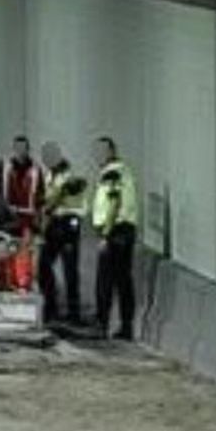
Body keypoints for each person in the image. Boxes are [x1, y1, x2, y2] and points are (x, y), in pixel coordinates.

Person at [91, 137, 139, 340]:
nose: (99, 155)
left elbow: (114, 204)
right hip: (125, 231)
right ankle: (125, 326)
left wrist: (105, 235)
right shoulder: (123, 171)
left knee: (105, 281)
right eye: (97, 151)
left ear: (112, 152)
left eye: (103, 151)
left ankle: (101, 325)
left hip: (116, 231)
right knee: (122, 280)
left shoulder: (113, 173)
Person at [38, 142, 87, 324]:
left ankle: (73, 312)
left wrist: (49, 207)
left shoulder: (69, 178)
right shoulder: (50, 175)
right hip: (54, 223)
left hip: (68, 223)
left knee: (70, 269)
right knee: (44, 266)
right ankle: (51, 307)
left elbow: (58, 199)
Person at [0, 135, 45, 235]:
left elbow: (41, 193)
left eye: (23, 148)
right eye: (18, 148)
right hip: (7, 217)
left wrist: (39, 216)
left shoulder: (35, 169)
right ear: (14, 149)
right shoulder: (4, 166)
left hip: (28, 220)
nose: (20, 151)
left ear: (28, 150)